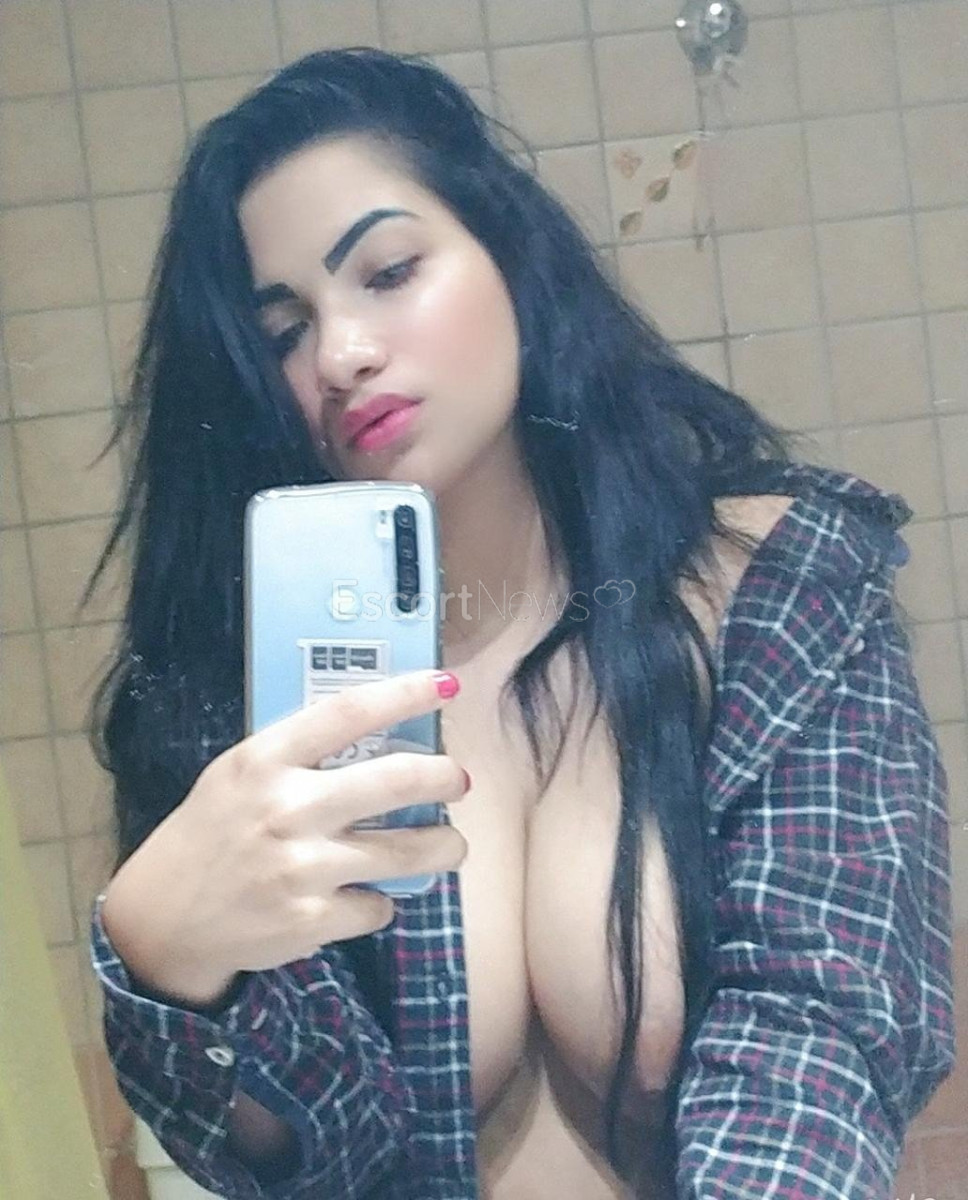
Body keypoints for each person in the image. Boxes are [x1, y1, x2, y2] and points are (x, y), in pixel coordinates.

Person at [86, 47, 955, 1200]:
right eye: (282, 331)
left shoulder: (775, 593)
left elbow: (818, 1042)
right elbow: (329, 1158)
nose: (341, 354)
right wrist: (167, 968)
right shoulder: (253, 706)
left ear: (508, 253)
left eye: (388, 271)